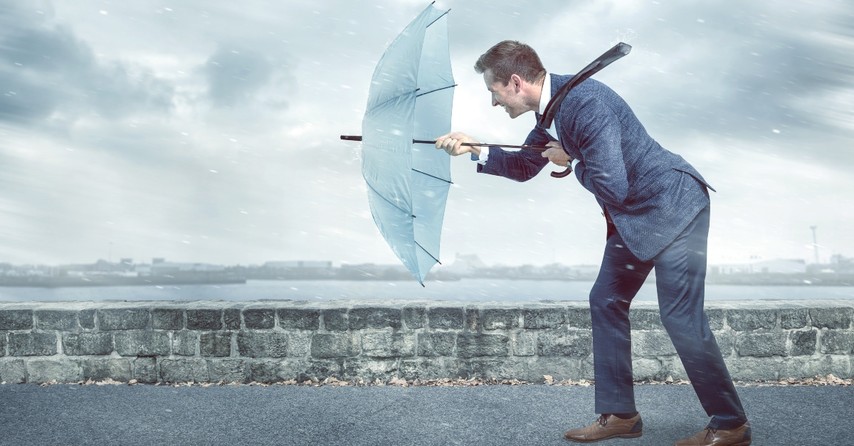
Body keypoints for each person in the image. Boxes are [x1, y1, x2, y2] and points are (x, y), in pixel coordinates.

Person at [435, 40, 751, 446]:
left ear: (515, 82)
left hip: (674, 207)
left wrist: (572, 161)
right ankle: (620, 415)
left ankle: (730, 425)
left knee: (680, 318)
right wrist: (475, 150)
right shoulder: (550, 114)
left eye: (493, 92)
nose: (495, 103)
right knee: (605, 300)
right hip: (634, 217)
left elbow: (612, 186)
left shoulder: (586, 104)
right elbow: (524, 166)